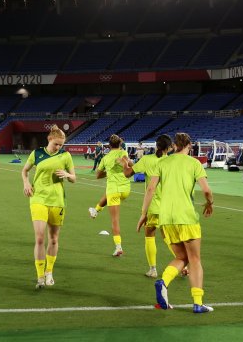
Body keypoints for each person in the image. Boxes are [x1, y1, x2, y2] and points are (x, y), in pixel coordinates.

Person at [138, 132, 214, 314]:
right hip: (186, 217)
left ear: (174, 146)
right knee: (194, 259)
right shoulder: (194, 163)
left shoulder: (162, 163)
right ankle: (198, 303)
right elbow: (206, 191)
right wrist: (210, 203)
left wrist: (143, 214)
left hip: (165, 218)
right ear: (189, 145)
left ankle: (163, 282)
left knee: (182, 257)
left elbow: (150, 188)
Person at [22, 124, 76, 289]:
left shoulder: (65, 156)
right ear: (49, 139)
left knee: (53, 239)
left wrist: (67, 174)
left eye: (61, 145)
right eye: (56, 144)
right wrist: (26, 183)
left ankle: (49, 272)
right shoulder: (37, 153)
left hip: (57, 201)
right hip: (38, 198)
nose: (58, 147)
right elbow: (24, 171)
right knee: (40, 238)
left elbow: (74, 178)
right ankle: (39, 276)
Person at [123, 134, 173, 277]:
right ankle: (183, 264)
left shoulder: (147, 159)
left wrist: (125, 163)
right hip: (170, 206)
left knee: (150, 235)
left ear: (156, 146)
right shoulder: (171, 161)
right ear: (169, 148)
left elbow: (127, 173)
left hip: (153, 206)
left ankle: (153, 269)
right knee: (169, 237)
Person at [89, 134, 131, 257]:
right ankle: (96, 210)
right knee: (109, 194)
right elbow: (128, 164)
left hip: (113, 190)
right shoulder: (123, 152)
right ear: (120, 144)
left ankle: (118, 247)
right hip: (126, 189)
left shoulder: (105, 158)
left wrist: (108, 173)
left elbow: (97, 175)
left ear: (109, 145)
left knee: (115, 220)